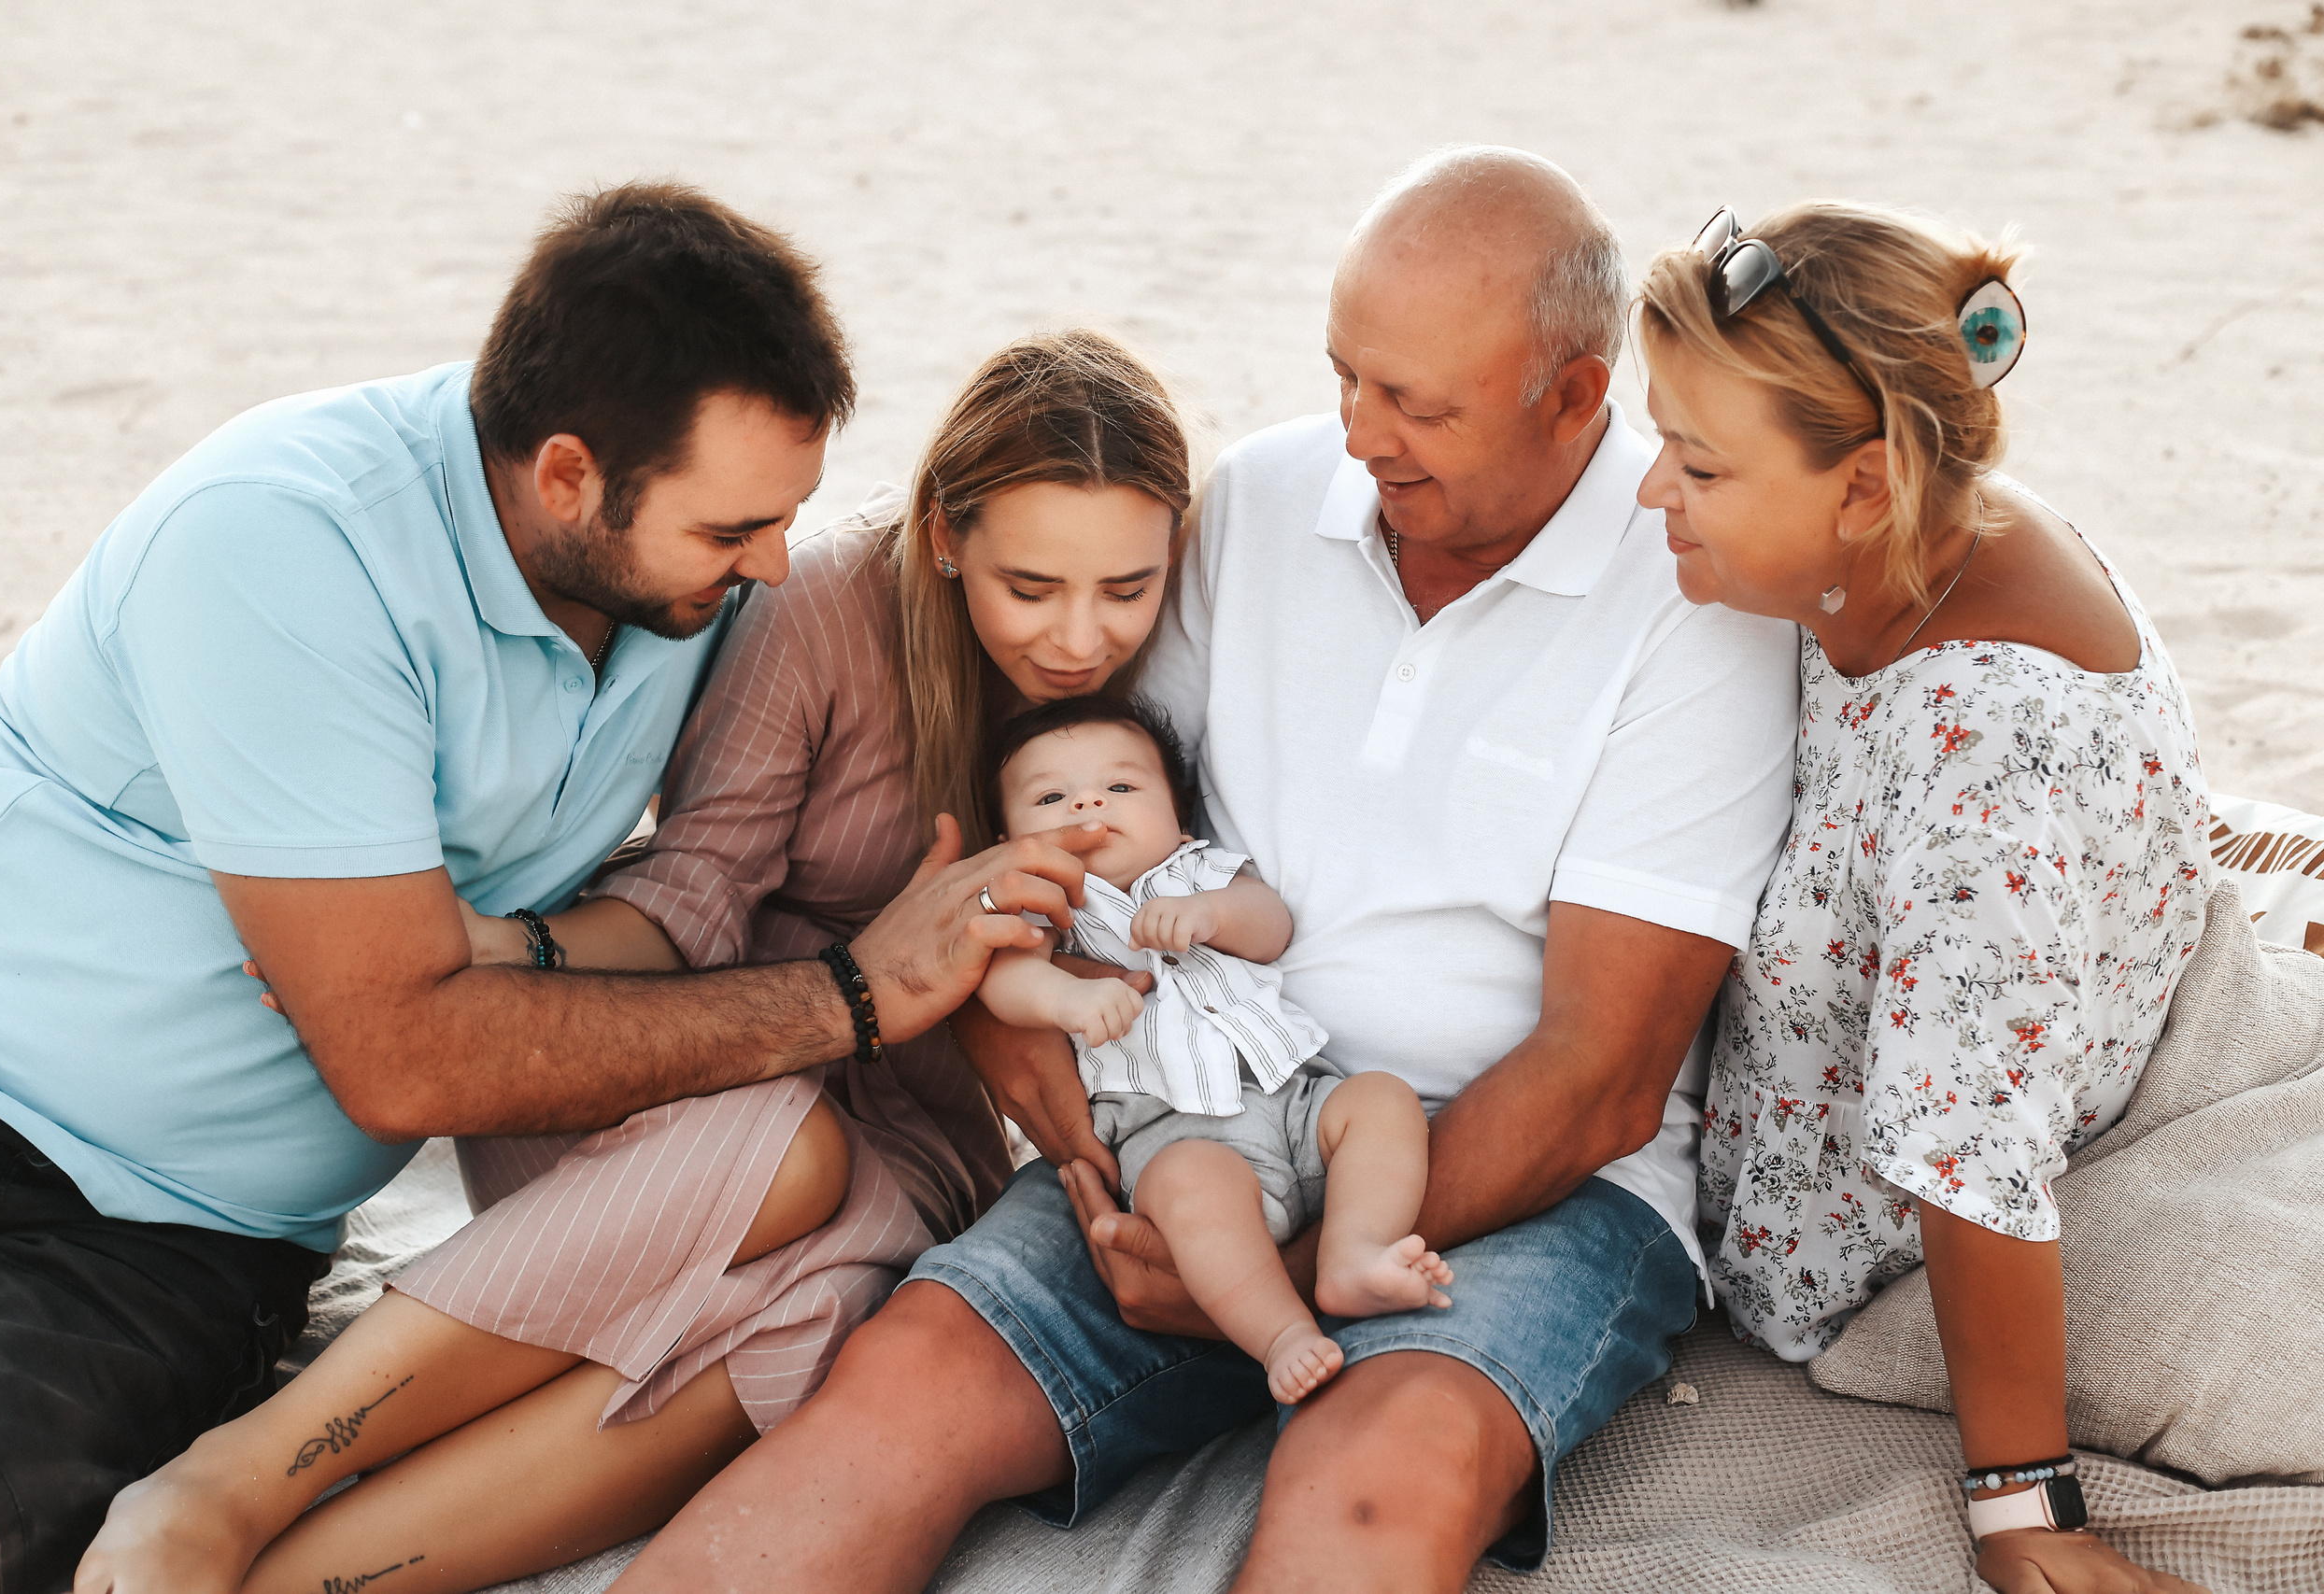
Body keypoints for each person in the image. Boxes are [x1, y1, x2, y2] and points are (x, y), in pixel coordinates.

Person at [601, 145, 1802, 1594]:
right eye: (1347, 373)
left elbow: (1604, 1074)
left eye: (1416, 402)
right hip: (1189, 1109)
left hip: (1529, 1177)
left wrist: (1277, 1271)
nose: (1359, 432)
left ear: (1573, 397)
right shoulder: (1266, 496)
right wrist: (1127, 1182)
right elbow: (1065, 837)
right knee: (903, 1382)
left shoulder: (1688, 589)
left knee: (1379, 1479)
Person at [0, 180, 1105, 1594]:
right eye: (732, 529)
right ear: (566, 476)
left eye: (781, 519)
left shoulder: (678, 594)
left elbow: (681, 892)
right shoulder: (288, 544)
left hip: (172, 1238)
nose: (771, 562)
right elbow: (404, 1060)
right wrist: (852, 998)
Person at [1637, 203, 2212, 1594]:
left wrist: (2026, 1508)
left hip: (1850, 1255)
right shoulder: (1932, 532)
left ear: (1865, 484)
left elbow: (1974, 1148)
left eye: (1699, 464)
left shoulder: (1981, 757)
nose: (1654, 491)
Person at [977, 695, 1452, 1404]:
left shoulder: (1201, 871)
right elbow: (1005, 979)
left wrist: (1210, 914)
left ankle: (1354, 1250)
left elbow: (1271, 925)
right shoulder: (1046, 903)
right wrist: (1065, 999)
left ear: (1177, 812)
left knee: (1381, 1100)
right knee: (1193, 1191)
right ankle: (1281, 1332)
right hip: (1171, 1131)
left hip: (1293, 1096)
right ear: (1010, 836)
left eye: (1122, 787)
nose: (1087, 806)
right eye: (1051, 797)